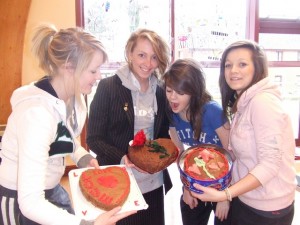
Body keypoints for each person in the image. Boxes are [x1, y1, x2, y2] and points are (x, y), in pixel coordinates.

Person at [0, 23, 136, 225]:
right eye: (93, 70)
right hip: (20, 199)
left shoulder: (73, 98)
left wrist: (81, 156)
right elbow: (29, 202)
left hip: (50, 188)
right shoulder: (36, 114)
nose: (99, 76)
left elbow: (65, 136)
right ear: (69, 68)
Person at [191, 40, 296, 225]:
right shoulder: (244, 101)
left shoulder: (262, 103)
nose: (233, 71)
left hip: (267, 208)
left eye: (242, 64)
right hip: (248, 198)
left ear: (257, 68)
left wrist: (225, 194)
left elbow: (270, 165)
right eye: (228, 65)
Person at [86, 28, 172, 225]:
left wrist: (163, 154)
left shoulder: (160, 91)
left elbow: (162, 134)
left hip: (153, 182)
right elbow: (93, 138)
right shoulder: (108, 87)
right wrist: (122, 156)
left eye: (154, 57)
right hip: (119, 181)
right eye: (141, 55)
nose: (148, 64)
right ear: (130, 53)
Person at [163, 58, 231, 225]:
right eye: (169, 91)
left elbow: (232, 154)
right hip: (195, 182)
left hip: (224, 184)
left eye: (180, 93)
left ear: (194, 91)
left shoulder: (213, 112)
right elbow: (180, 156)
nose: (173, 98)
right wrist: (186, 187)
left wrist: (225, 197)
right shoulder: (172, 114)